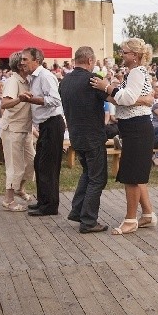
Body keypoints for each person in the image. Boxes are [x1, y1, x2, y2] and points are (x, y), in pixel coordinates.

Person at [90, 38, 156, 234]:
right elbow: (125, 99)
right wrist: (108, 92)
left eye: (124, 51)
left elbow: (126, 98)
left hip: (137, 127)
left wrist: (107, 87)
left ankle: (130, 219)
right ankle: (147, 214)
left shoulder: (136, 72)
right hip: (133, 127)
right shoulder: (135, 72)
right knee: (136, 173)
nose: (121, 54)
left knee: (132, 176)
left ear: (134, 56)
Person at [59, 46, 109, 233]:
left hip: (76, 135)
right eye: (94, 61)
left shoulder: (64, 81)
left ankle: (77, 211)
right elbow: (113, 98)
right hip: (93, 136)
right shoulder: (92, 80)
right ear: (89, 60)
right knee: (97, 178)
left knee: (87, 174)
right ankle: (88, 220)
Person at [20, 47, 64, 217]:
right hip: (45, 126)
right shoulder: (34, 78)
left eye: (25, 59)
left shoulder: (45, 76)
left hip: (52, 124)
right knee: (40, 164)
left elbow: (55, 100)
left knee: (48, 167)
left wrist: (32, 99)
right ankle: (43, 201)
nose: (22, 62)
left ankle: (50, 206)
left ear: (36, 60)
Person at [0, 52, 35, 211]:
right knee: (15, 166)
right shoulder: (13, 81)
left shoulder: (27, 80)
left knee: (32, 162)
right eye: (26, 61)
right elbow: (4, 104)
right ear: (20, 65)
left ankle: (20, 188)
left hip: (25, 129)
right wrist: (19, 99)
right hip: (12, 129)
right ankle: (8, 200)